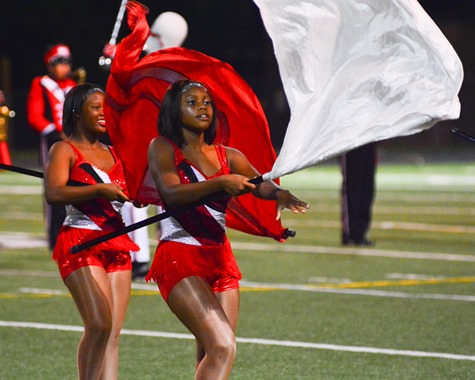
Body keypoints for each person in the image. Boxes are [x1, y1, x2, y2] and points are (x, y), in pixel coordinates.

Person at [145, 79, 309, 379]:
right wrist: (220, 183)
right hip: (180, 257)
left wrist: (278, 194)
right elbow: (171, 194)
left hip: (221, 260)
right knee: (223, 346)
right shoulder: (162, 148)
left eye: (206, 101)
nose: (203, 106)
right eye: (192, 102)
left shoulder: (228, 155)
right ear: (173, 110)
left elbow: (260, 184)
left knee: (213, 350)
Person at [44, 83, 139, 379]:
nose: (103, 114)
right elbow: (54, 193)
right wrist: (99, 189)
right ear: (76, 113)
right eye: (96, 108)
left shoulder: (114, 152)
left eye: (106, 108)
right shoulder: (64, 148)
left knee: (112, 333)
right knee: (99, 323)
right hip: (81, 240)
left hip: (117, 243)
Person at [124, 10, 189, 280]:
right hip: (169, 143)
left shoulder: (162, 64)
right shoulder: (180, 63)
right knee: (165, 200)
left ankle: (142, 258)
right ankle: (165, 255)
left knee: (138, 200)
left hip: (154, 142)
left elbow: (128, 84)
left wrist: (118, 56)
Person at [27, 44, 78, 250]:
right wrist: (55, 132)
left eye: (67, 62)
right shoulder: (41, 84)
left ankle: (71, 230)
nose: (64, 67)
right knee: (52, 187)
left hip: (72, 141)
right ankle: (54, 236)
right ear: (50, 65)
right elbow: (35, 115)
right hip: (52, 140)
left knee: (73, 186)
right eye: (59, 63)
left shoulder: (72, 84)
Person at [340, 142, 377, 246]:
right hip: (350, 142)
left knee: (367, 189)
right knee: (353, 186)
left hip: (368, 139)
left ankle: (360, 233)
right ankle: (350, 233)